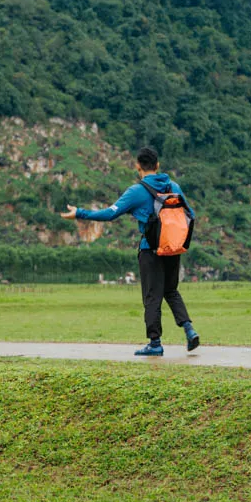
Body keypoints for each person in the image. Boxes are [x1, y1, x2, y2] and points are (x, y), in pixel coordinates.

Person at [62, 146, 199, 356]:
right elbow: (189, 213)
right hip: (172, 248)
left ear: (138, 166)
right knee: (170, 290)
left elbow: (110, 214)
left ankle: (155, 344)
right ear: (158, 165)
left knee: (152, 296)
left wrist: (80, 213)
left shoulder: (137, 191)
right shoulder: (174, 186)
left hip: (150, 250)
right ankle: (189, 330)